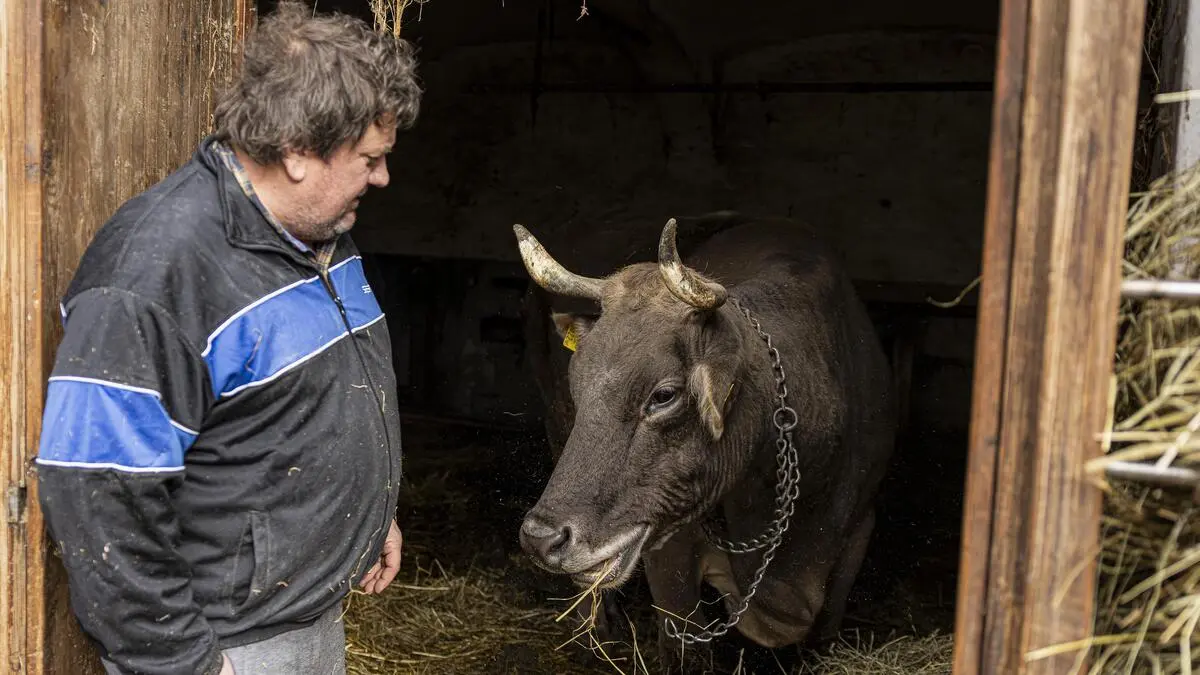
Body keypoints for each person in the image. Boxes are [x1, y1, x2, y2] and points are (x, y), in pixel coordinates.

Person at [33, 3, 422, 673]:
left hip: (313, 612)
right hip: (231, 647)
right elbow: (99, 497)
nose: (383, 176)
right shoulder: (154, 275)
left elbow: (306, 408)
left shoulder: (319, 233)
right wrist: (185, 662)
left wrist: (366, 514)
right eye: (369, 158)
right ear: (297, 151)